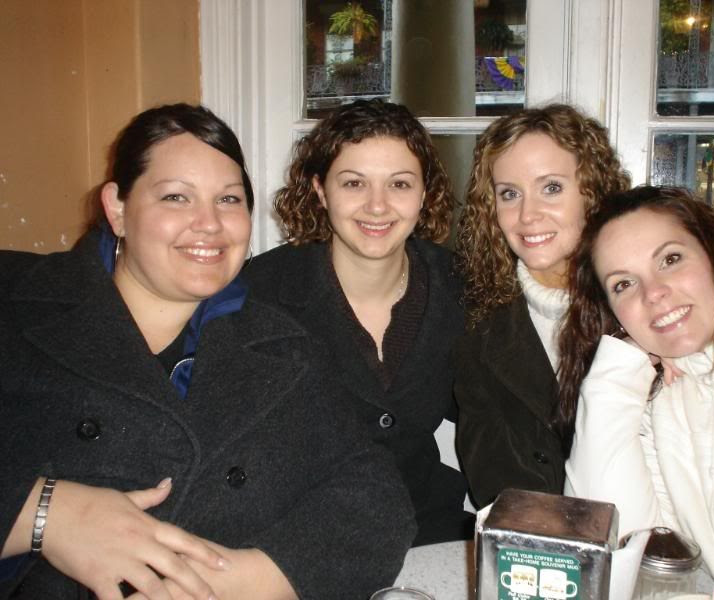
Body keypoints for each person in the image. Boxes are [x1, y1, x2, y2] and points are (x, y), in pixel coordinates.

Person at [0, 103, 415, 600]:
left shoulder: (285, 347)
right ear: (117, 208)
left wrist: (244, 578)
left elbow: (375, 496)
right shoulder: (16, 305)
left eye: (228, 199)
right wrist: (44, 513)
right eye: (176, 197)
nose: (209, 224)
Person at [243, 98, 473, 546]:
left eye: (399, 184)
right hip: (295, 540)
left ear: (424, 193)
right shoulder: (258, 293)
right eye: (353, 183)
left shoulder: (459, 287)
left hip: (426, 528)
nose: (377, 206)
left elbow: (493, 410)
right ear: (320, 190)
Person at [559, 186, 714, 599]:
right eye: (623, 284)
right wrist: (616, 375)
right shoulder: (657, 403)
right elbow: (617, 557)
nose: (653, 293)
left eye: (670, 260)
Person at [453, 104, 630, 508]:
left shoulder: (641, 302)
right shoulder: (477, 324)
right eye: (509, 194)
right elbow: (494, 474)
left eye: (551, 188)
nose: (527, 215)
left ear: (591, 192)